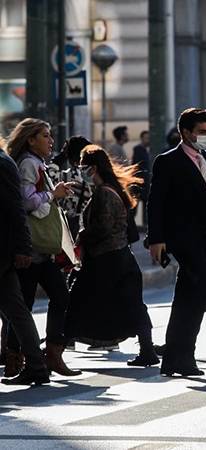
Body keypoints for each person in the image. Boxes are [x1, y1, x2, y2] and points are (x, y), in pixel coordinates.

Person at [147, 108, 206, 377]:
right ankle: (183, 356)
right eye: (202, 132)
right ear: (185, 132)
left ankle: (177, 357)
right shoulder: (167, 161)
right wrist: (156, 239)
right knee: (197, 290)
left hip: (204, 236)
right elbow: (156, 202)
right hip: (182, 237)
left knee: (189, 295)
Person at [64, 146, 159, 367]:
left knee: (77, 300)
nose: (80, 171)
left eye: (83, 166)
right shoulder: (109, 190)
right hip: (120, 257)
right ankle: (147, 349)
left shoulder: (105, 192)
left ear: (93, 167)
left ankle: (56, 350)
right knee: (132, 305)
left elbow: (103, 227)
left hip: (106, 259)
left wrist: (81, 235)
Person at [5, 118, 81, 378]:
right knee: (22, 306)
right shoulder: (27, 163)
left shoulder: (37, 164)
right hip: (32, 248)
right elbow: (25, 202)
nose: (51, 141)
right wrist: (53, 195)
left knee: (55, 298)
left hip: (41, 249)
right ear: (31, 139)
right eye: (45, 136)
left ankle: (51, 354)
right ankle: (18, 359)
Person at [0, 141, 50, 386]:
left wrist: (23, 247)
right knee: (17, 311)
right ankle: (37, 365)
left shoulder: (3, 163)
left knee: (17, 311)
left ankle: (36, 364)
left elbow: (16, 210)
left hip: (2, 250)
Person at [132, 130, 151, 226]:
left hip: (143, 181)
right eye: (146, 138)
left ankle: (144, 225)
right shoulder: (138, 149)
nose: (148, 140)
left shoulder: (144, 150)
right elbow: (138, 165)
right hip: (139, 182)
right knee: (136, 204)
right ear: (142, 138)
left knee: (143, 204)